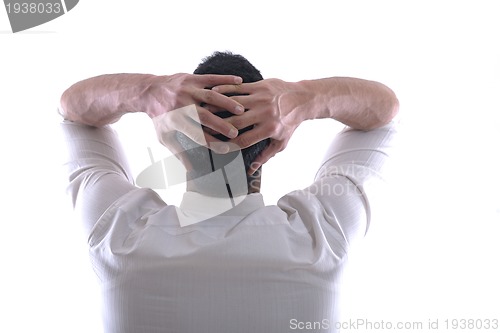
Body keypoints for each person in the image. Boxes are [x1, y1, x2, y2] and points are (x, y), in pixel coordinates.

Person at [59, 51, 399, 333]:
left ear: (179, 144)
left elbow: (74, 112)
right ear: (272, 141)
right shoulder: (322, 238)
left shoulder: (119, 239)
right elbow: (383, 115)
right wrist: (305, 97)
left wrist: (149, 91)